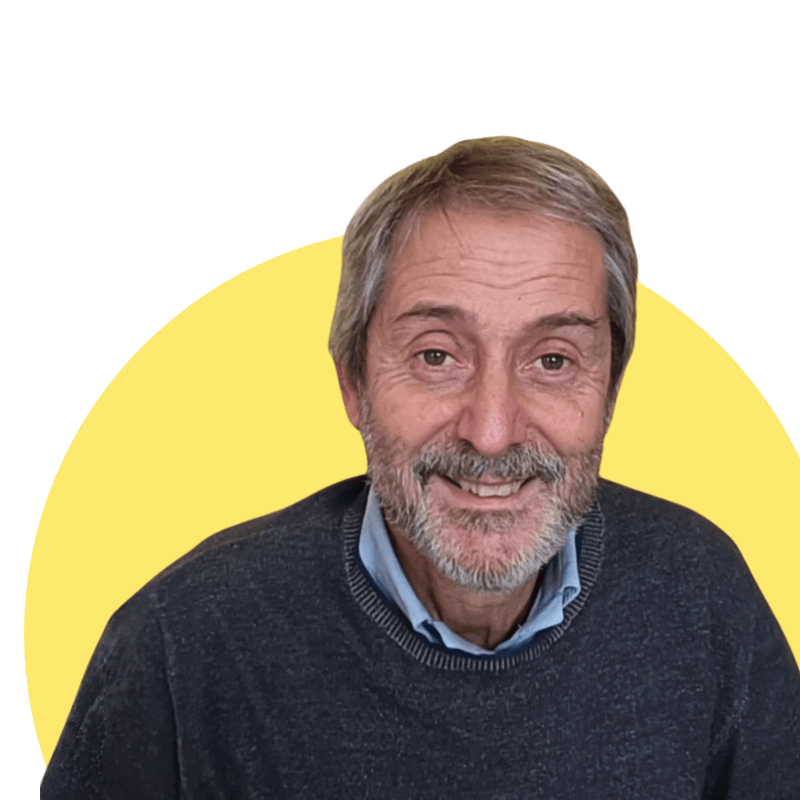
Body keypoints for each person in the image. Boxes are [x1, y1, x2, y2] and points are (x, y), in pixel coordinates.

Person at [42, 137, 800, 799]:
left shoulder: (703, 595)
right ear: (354, 382)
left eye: (553, 360)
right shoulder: (180, 644)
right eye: (437, 356)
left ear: (610, 390)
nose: (492, 434)